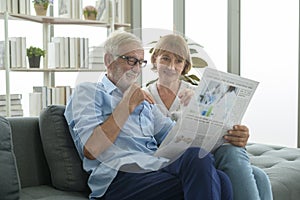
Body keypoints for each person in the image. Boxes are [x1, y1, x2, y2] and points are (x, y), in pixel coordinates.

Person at [64, 30, 233, 200]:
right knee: (216, 181)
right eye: (130, 61)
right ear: (109, 60)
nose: (136, 69)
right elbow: (92, 149)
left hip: (154, 167)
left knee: (219, 176)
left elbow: (175, 137)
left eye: (140, 62)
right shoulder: (87, 92)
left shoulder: (144, 103)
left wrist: (200, 114)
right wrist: (126, 105)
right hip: (119, 179)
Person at [145, 34, 273, 200]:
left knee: (258, 174)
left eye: (178, 61)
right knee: (259, 176)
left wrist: (238, 134)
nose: (171, 66)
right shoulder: (144, 95)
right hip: (177, 161)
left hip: (207, 155)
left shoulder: (200, 92)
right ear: (155, 59)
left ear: (185, 66)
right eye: (166, 59)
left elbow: (221, 128)